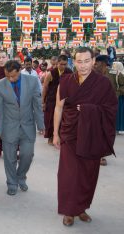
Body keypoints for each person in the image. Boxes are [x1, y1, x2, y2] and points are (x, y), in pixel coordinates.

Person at [53, 47, 118, 226]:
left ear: (93, 60)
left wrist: (90, 110)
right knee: (69, 174)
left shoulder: (103, 83)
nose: (83, 66)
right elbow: (58, 107)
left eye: (87, 61)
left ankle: (81, 208)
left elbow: (111, 109)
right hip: (70, 134)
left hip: (92, 135)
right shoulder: (66, 81)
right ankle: (69, 210)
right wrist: (55, 133)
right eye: (79, 62)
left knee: (88, 174)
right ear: (74, 62)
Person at [0, 60, 44, 195]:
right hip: (9, 126)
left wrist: (41, 124)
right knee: (9, 158)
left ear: (19, 71)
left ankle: (21, 176)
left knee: (27, 155)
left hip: (27, 125)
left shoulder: (32, 81)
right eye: (7, 76)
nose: (10, 79)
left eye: (14, 76)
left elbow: (37, 105)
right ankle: (11, 183)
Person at [42, 55, 72, 145]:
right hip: (52, 100)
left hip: (65, 100)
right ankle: (51, 137)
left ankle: (60, 136)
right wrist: (43, 101)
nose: (63, 66)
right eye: (61, 64)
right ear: (57, 63)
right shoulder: (51, 73)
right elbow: (45, 88)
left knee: (64, 119)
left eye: (65, 64)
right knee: (50, 119)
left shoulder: (70, 72)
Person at [111, 62, 124, 134]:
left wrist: (118, 92)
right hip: (115, 97)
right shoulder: (114, 74)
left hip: (120, 97)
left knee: (119, 113)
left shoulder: (120, 75)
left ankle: (118, 128)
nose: (113, 67)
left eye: (115, 66)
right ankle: (116, 128)